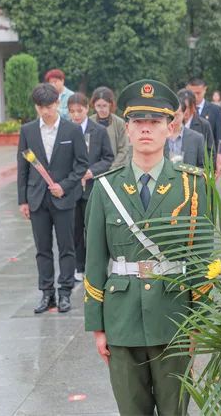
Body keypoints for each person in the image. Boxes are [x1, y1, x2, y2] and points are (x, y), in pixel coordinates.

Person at [84, 79, 207, 416]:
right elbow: (94, 260)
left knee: (174, 410)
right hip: (121, 319)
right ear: (128, 130)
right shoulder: (106, 188)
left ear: (171, 128)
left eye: (155, 122)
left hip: (174, 318)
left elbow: (202, 259)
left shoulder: (192, 186)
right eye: (138, 122)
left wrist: (199, 322)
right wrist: (97, 326)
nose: (146, 130)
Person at [17, 83, 89, 314]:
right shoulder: (28, 131)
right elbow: (22, 168)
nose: (45, 112)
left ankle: (65, 291)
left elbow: (81, 164)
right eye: (41, 107)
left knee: (67, 246)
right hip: (36, 197)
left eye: (49, 106)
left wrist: (65, 186)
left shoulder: (71, 130)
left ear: (58, 104)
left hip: (64, 198)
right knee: (42, 248)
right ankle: (46, 293)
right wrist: (22, 200)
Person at [66, 93, 114, 282]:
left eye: (79, 111)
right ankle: (79, 266)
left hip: (92, 186)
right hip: (72, 188)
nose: (76, 115)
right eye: (72, 112)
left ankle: (97, 265)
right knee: (75, 229)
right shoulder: (66, 130)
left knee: (94, 229)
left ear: (87, 109)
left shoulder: (99, 131)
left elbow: (108, 158)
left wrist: (91, 172)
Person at [187, 78, 221, 176]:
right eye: (192, 93)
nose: (195, 96)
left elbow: (219, 136)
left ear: (205, 90)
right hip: (188, 158)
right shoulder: (183, 111)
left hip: (207, 158)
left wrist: (219, 159)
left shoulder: (215, 110)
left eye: (198, 93)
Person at [91, 87, 130, 169]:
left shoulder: (119, 123)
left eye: (104, 105)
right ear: (94, 105)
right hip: (93, 170)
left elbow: (123, 149)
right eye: (98, 106)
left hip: (115, 168)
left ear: (111, 104)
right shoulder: (89, 122)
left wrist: (112, 167)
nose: (101, 109)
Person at [167, 90, 208, 168]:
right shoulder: (159, 137)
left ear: (183, 114)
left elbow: (203, 166)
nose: (173, 119)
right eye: (170, 116)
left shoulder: (197, 138)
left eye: (177, 115)